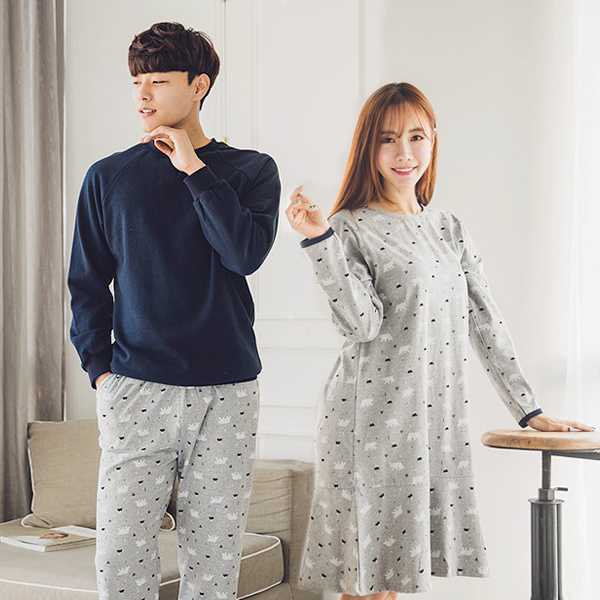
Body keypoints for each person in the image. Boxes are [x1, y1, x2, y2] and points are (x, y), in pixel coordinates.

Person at [285, 82, 593, 599]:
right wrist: (319, 240)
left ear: (433, 140)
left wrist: (528, 409)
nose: (403, 153)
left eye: (416, 137)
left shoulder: (448, 228)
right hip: (368, 423)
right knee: (365, 582)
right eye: (387, 140)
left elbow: (485, 322)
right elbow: (361, 325)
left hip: (430, 424)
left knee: (393, 581)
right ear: (368, 147)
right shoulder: (347, 227)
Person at [68, 22, 281, 600]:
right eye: (136, 81)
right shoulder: (108, 177)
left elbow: (243, 253)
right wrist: (101, 373)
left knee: (213, 567)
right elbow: (86, 285)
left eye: (158, 80)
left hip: (228, 393)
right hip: (136, 388)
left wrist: (194, 170)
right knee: (121, 565)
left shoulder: (252, 170)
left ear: (199, 86)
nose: (142, 94)